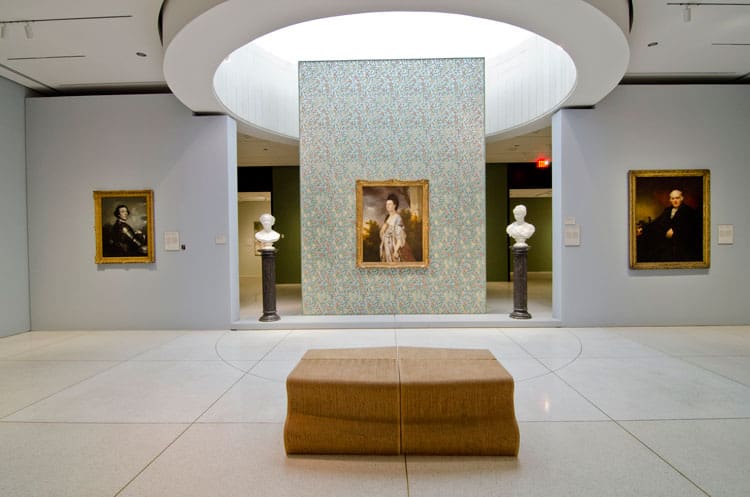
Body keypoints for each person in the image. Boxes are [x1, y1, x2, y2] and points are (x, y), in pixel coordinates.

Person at [641, 189, 700, 261]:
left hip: (682, 245)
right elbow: (657, 222)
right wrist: (643, 228)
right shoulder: (667, 210)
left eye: (677, 198)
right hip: (668, 243)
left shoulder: (689, 211)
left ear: (682, 198)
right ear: (670, 200)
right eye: (673, 198)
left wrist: (675, 230)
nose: (675, 201)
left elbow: (690, 227)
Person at [379, 193, 414, 262]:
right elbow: (382, 233)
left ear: (394, 205)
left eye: (390, 204)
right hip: (386, 248)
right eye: (386, 204)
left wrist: (396, 251)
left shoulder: (398, 218)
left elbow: (400, 237)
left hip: (393, 248)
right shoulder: (387, 218)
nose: (387, 206)